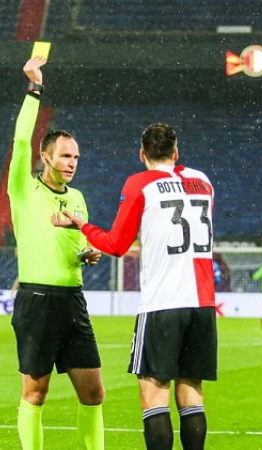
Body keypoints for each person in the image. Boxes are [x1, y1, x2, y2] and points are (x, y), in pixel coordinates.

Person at [52, 123, 217, 450]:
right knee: (191, 392)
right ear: (176, 152)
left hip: (162, 304)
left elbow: (115, 244)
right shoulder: (204, 182)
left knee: (153, 393)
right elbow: (179, 182)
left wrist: (82, 224)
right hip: (202, 304)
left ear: (142, 155)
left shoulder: (140, 184)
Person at [8, 57, 105, 450]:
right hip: (36, 300)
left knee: (94, 392)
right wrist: (35, 90)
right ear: (46, 157)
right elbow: (19, 141)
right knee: (36, 393)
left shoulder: (79, 197)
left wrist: (87, 253)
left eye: (76, 157)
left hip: (73, 300)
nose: (72, 163)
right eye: (66, 156)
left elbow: (78, 245)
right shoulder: (24, 189)